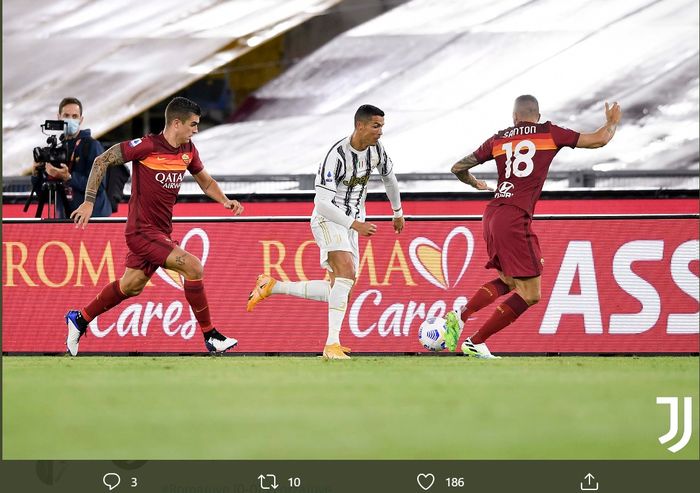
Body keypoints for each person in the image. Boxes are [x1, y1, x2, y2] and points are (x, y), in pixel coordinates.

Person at [445, 95, 622, 359]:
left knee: (508, 280)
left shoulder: (499, 139)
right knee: (532, 293)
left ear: (514, 117)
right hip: (515, 217)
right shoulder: (549, 133)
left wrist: (474, 183)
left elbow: (457, 167)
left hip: (493, 214)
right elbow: (598, 139)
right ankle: (475, 340)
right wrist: (611, 123)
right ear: (537, 116)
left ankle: (462, 317)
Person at [65, 97, 244, 355]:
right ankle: (211, 336)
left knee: (131, 286)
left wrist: (225, 201)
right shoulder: (147, 146)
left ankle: (79, 319)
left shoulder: (188, 150)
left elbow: (205, 182)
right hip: (141, 232)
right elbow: (101, 161)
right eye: (193, 125)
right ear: (176, 123)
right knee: (193, 267)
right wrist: (88, 202)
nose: (195, 130)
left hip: (160, 233)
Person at [246, 104, 405, 359]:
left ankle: (271, 286)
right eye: (376, 126)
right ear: (360, 125)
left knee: (341, 288)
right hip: (328, 219)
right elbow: (321, 203)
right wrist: (355, 225)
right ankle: (331, 345)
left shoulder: (376, 150)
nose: (380, 132)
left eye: (382, 126)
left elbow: (389, 178)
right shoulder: (337, 156)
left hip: (352, 222)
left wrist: (397, 212)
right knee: (346, 273)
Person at [32, 97, 112, 217]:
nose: (70, 119)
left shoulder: (92, 146)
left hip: (93, 218)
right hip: (66, 217)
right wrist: (35, 174)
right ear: (59, 117)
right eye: (66, 115)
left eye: (75, 116)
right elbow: (42, 194)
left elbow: (99, 186)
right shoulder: (56, 148)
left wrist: (68, 177)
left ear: (81, 119)